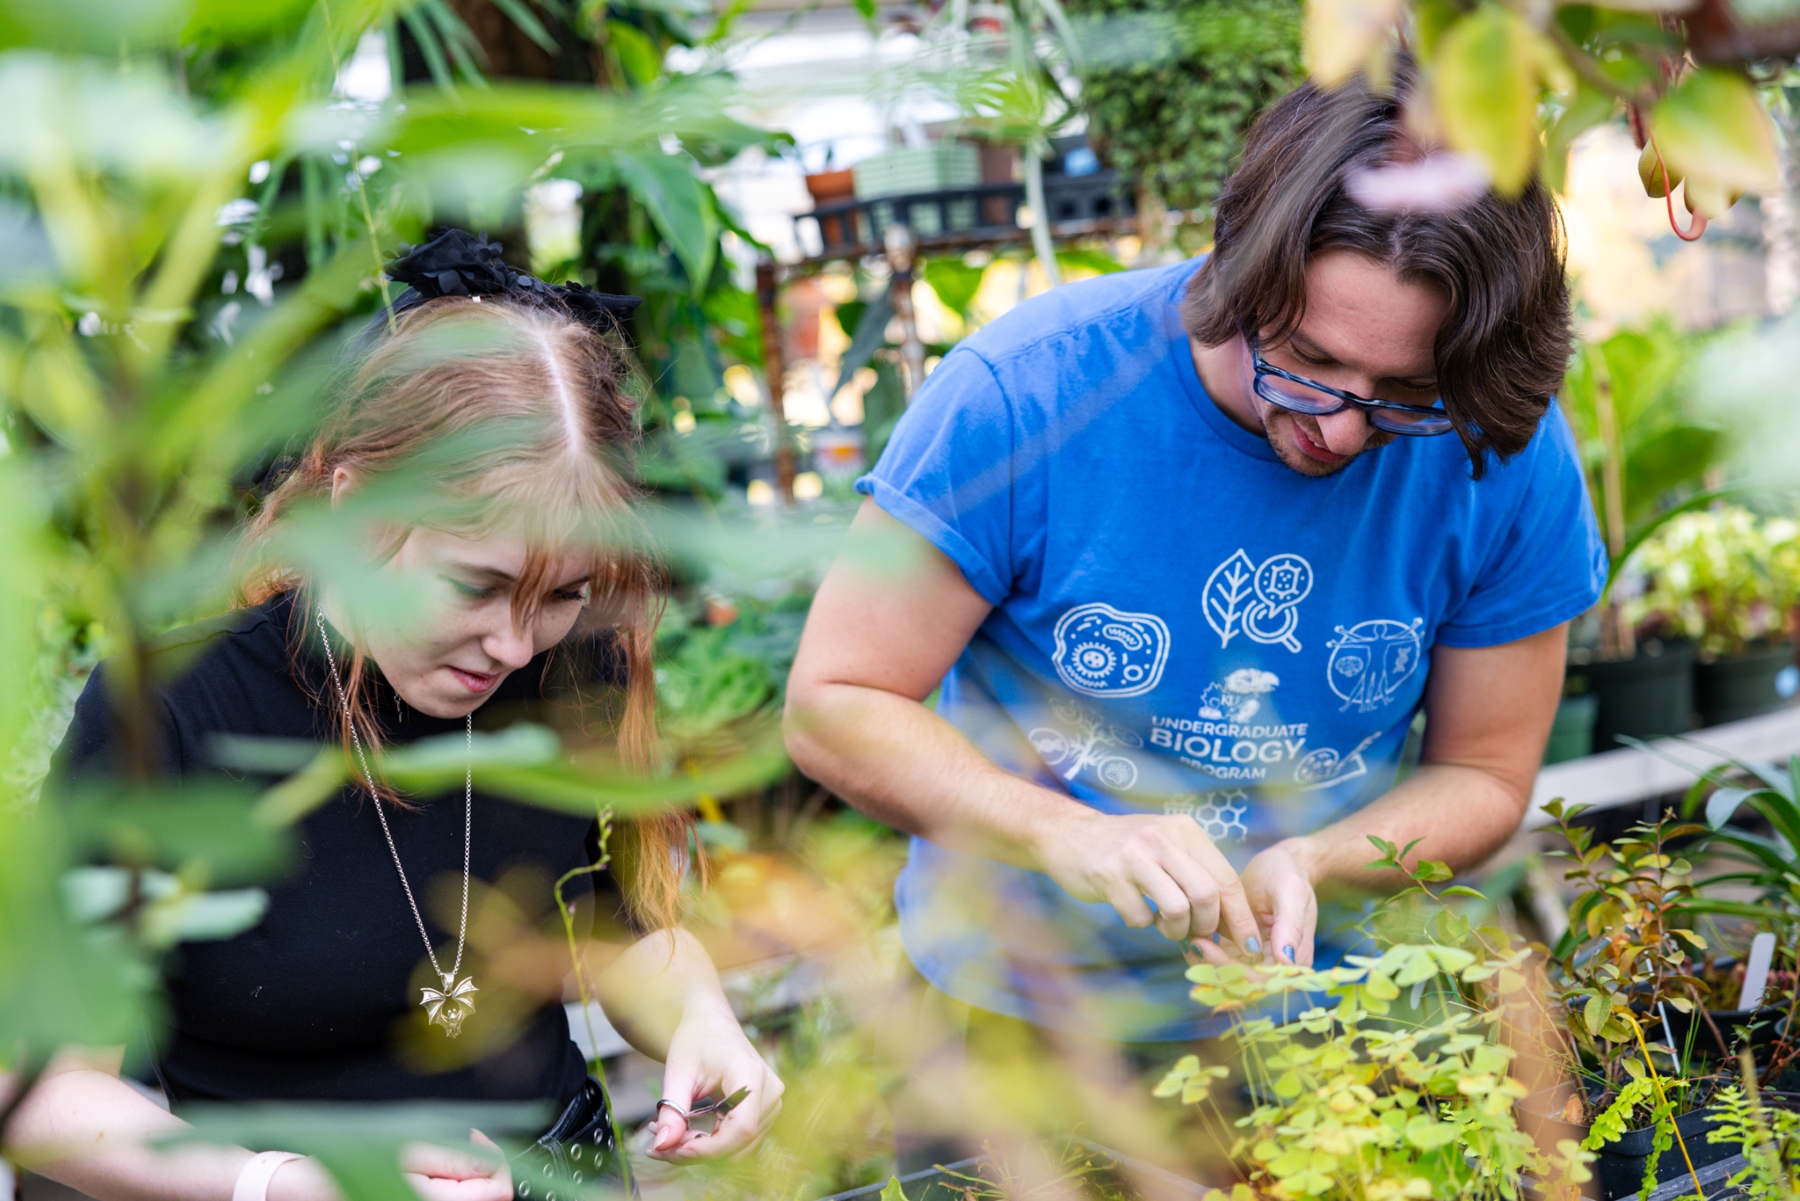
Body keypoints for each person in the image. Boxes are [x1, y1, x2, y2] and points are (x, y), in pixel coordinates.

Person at [784, 69, 1604, 1169]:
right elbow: (836, 704)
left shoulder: (1499, 440)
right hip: (1013, 1017)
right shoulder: (1027, 393)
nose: (1343, 433)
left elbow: (1488, 775)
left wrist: (1315, 858)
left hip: (1323, 1025)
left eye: (1401, 394)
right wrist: (1069, 834)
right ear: (1237, 268)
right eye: (1308, 363)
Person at [9, 231, 782, 1201]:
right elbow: (42, 1092)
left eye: (560, 592)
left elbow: (622, 931)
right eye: (476, 583)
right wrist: (283, 1184)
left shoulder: (569, 665)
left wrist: (704, 1020)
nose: (512, 646)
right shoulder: (171, 712)